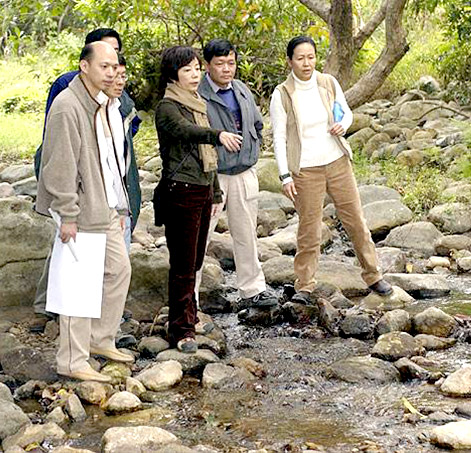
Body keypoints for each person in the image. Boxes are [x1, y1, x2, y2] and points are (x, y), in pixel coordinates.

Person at [31, 28, 141, 332]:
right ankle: (71, 348)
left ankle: (101, 336)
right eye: (104, 63)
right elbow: (60, 156)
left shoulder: (111, 102)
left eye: (115, 61)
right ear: (86, 63)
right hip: (81, 200)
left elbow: (116, 156)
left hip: (105, 201)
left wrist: (121, 205)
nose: (111, 70)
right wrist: (67, 211)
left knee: (117, 269)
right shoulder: (69, 97)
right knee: (78, 276)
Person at [269, 36, 392, 304]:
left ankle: (373, 275)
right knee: (309, 229)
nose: (306, 63)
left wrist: (343, 126)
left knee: (356, 221)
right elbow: (278, 137)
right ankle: (304, 285)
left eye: (311, 57)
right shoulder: (282, 94)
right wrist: (285, 175)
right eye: (300, 58)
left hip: (337, 162)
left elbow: (346, 113)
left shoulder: (328, 82)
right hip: (305, 170)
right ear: (290, 61)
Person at [153, 46, 242, 353]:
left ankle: (189, 316)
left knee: (196, 261)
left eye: (196, 69)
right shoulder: (168, 107)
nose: (195, 75)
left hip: (203, 188)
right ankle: (180, 330)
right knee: (182, 263)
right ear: (173, 74)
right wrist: (217, 134)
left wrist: (216, 192)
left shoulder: (197, 102)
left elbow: (209, 159)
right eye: (187, 70)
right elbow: (186, 132)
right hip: (181, 190)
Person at [195, 38, 278, 309]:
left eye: (231, 63)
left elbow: (256, 122)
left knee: (246, 232)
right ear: (207, 65)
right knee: (199, 236)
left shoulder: (241, 89)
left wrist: (254, 148)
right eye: (220, 64)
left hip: (244, 171)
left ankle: (252, 289)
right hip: (213, 175)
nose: (227, 69)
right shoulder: (198, 94)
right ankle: (189, 296)